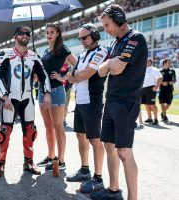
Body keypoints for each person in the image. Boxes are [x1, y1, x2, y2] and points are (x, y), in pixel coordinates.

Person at [92, 5, 148, 200]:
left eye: (107, 25)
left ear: (119, 18)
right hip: (111, 100)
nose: (105, 29)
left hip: (127, 101)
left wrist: (107, 66)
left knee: (124, 152)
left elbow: (117, 69)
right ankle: (113, 190)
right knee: (108, 145)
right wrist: (107, 64)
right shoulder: (114, 43)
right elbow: (100, 71)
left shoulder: (135, 38)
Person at [0, 25, 51, 177]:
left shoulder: (33, 56)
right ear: (15, 36)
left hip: (27, 99)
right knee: (4, 132)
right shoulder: (5, 53)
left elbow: (43, 75)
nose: (25, 35)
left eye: (27, 34)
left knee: (31, 131)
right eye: (21, 33)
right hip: (9, 100)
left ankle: (29, 162)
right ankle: (0, 163)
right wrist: (4, 97)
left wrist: (47, 93)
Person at [66, 23, 107, 194]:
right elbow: (70, 77)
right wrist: (74, 77)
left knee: (95, 140)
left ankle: (98, 178)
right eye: (79, 38)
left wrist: (74, 77)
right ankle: (85, 170)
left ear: (95, 36)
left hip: (93, 101)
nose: (82, 40)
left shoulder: (101, 52)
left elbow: (84, 74)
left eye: (84, 37)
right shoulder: (82, 55)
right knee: (80, 136)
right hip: (80, 102)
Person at [36, 23, 77, 172]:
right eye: (47, 32)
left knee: (58, 126)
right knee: (48, 126)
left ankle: (61, 160)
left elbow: (77, 63)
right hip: (42, 91)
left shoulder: (62, 49)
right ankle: (51, 156)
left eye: (52, 32)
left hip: (56, 90)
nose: (49, 35)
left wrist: (64, 77)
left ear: (58, 33)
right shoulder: (46, 50)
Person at [141, 58, 162, 125]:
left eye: (146, 61)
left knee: (152, 104)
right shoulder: (143, 69)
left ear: (150, 62)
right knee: (146, 104)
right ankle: (150, 118)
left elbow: (160, 78)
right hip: (143, 89)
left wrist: (156, 87)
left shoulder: (154, 69)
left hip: (151, 89)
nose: (144, 62)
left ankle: (156, 119)